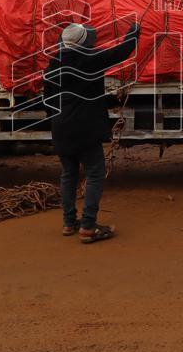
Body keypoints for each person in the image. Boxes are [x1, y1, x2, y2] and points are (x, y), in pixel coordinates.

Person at [42, 20, 140, 244]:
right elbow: (121, 52)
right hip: (85, 128)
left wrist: (58, 118)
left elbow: (46, 100)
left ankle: (69, 223)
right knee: (95, 173)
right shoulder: (89, 61)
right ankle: (87, 226)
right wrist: (134, 32)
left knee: (69, 174)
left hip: (61, 128)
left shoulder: (52, 65)